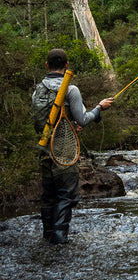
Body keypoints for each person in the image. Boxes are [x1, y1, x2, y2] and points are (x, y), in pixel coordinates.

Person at [32, 48, 113, 244]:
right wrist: (99, 108)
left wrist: (68, 125)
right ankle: (60, 240)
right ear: (66, 65)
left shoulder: (38, 89)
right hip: (64, 151)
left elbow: (39, 121)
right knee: (66, 195)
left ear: (47, 65)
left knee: (49, 195)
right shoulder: (71, 89)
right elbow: (83, 119)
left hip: (44, 148)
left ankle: (48, 237)